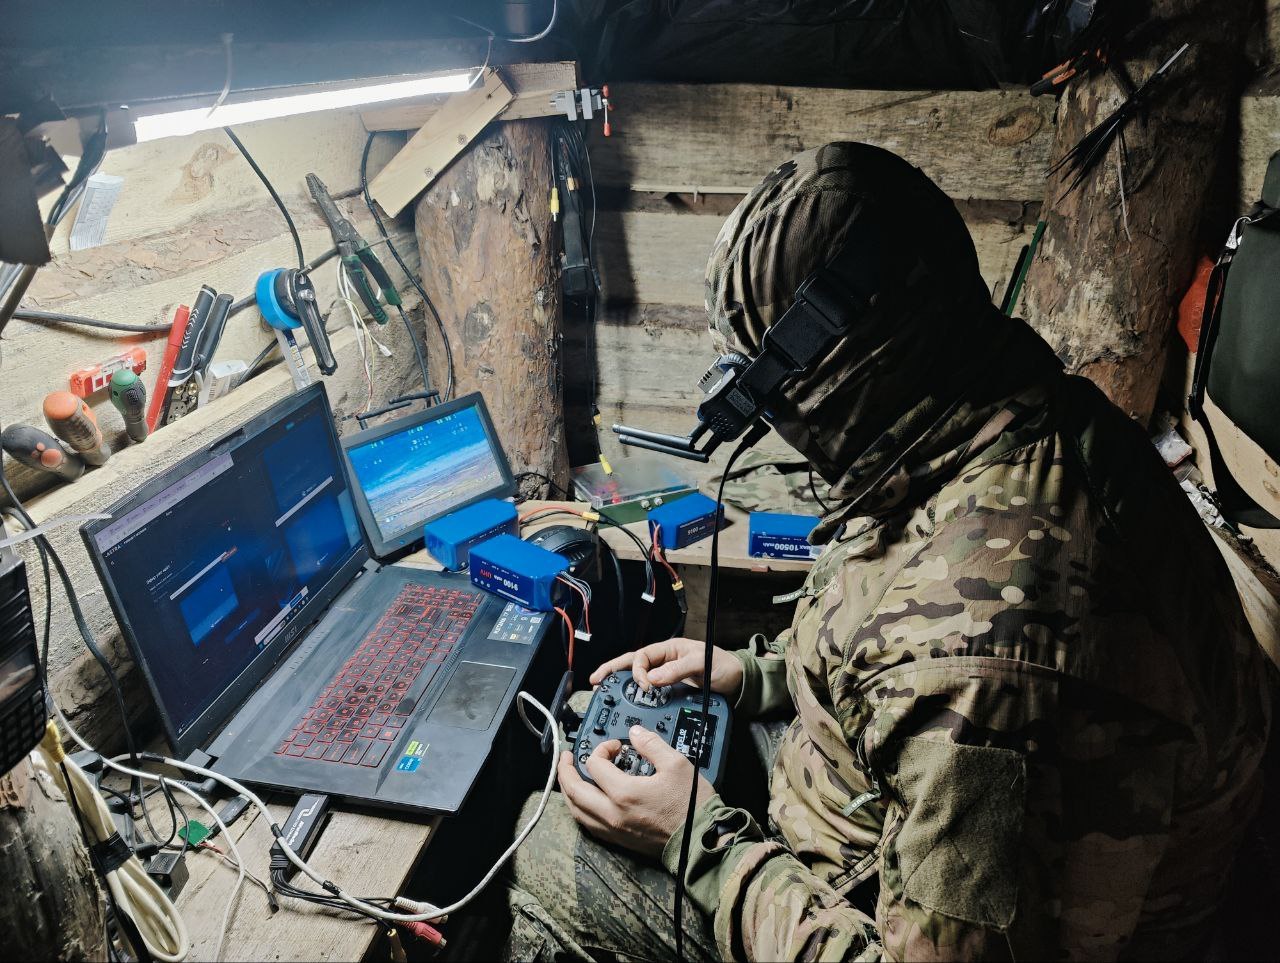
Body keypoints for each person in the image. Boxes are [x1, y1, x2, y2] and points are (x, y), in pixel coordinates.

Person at [499, 142, 1271, 961]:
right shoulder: (1003, 411)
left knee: (546, 844)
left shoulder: (977, 653)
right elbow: (888, 628)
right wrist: (758, 675)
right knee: (608, 730)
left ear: (830, 383)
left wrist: (700, 841)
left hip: (895, 901)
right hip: (889, 804)